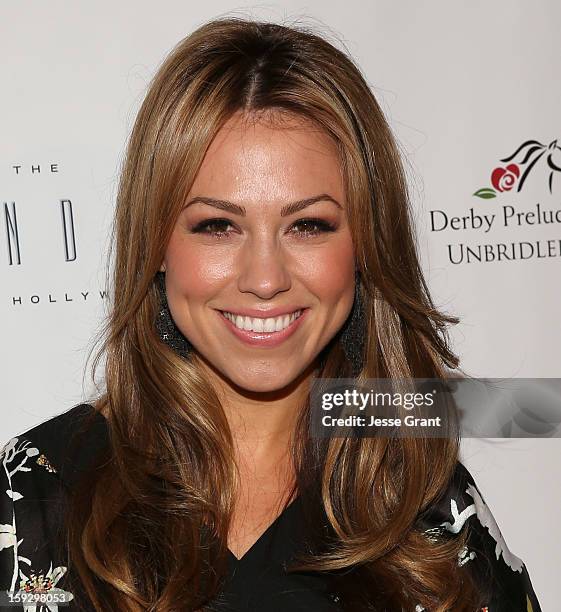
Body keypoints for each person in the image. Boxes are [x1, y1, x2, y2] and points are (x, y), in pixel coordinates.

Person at [0, 16, 542, 612]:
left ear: (365, 245)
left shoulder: (424, 506)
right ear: (156, 245)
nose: (265, 279)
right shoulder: (38, 495)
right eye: (218, 226)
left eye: (308, 225)